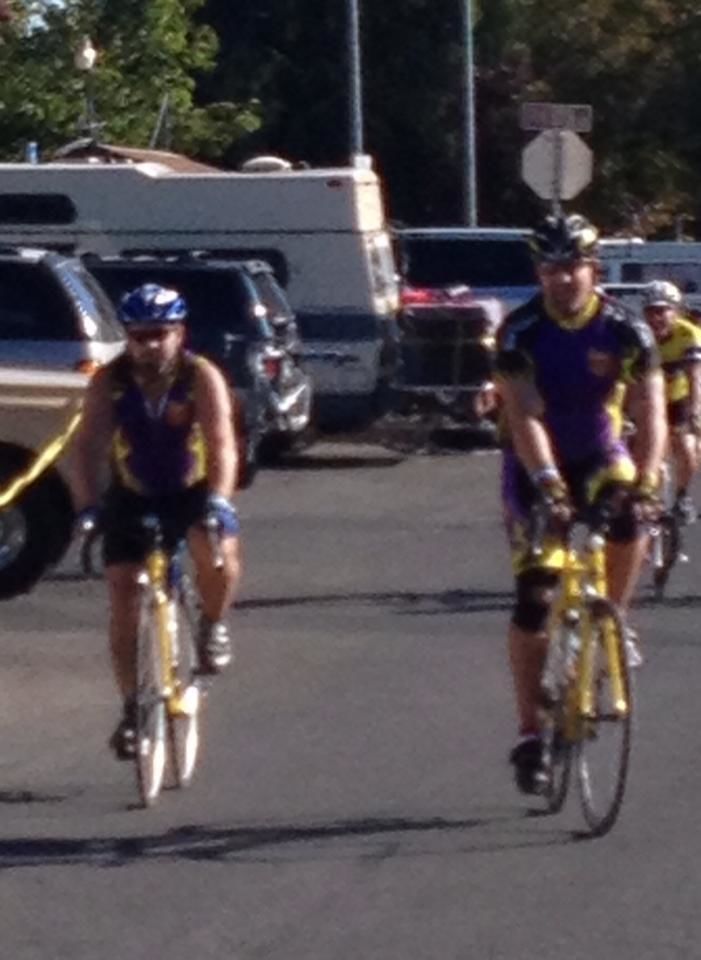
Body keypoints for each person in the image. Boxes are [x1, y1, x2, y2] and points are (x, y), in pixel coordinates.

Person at [495, 213, 667, 795]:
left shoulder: (625, 329)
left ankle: (615, 616)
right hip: (535, 462)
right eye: (550, 269)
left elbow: (650, 410)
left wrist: (648, 481)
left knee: (630, 509)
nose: (562, 279)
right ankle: (529, 733)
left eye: (572, 267)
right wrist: (548, 484)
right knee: (534, 598)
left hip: (599, 451)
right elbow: (524, 416)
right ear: (539, 274)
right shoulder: (520, 332)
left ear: (593, 269)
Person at [72, 283, 241, 760]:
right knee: (123, 591)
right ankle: (132, 708)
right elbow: (87, 446)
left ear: (179, 333)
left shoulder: (200, 375)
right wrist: (88, 507)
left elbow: (222, 443)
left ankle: (213, 622)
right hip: (134, 493)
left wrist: (219, 500)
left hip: (192, 489)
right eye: (138, 335)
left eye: (159, 334)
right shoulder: (110, 381)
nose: (149, 345)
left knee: (216, 552)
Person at [642, 280, 701, 524]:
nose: (656, 318)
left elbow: (695, 376)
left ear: (676, 311)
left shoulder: (688, 334)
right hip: (646, 400)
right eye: (651, 311)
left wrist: (696, 411)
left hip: (679, 398)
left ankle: (682, 496)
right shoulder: (638, 335)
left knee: (687, 448)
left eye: (662, 311)